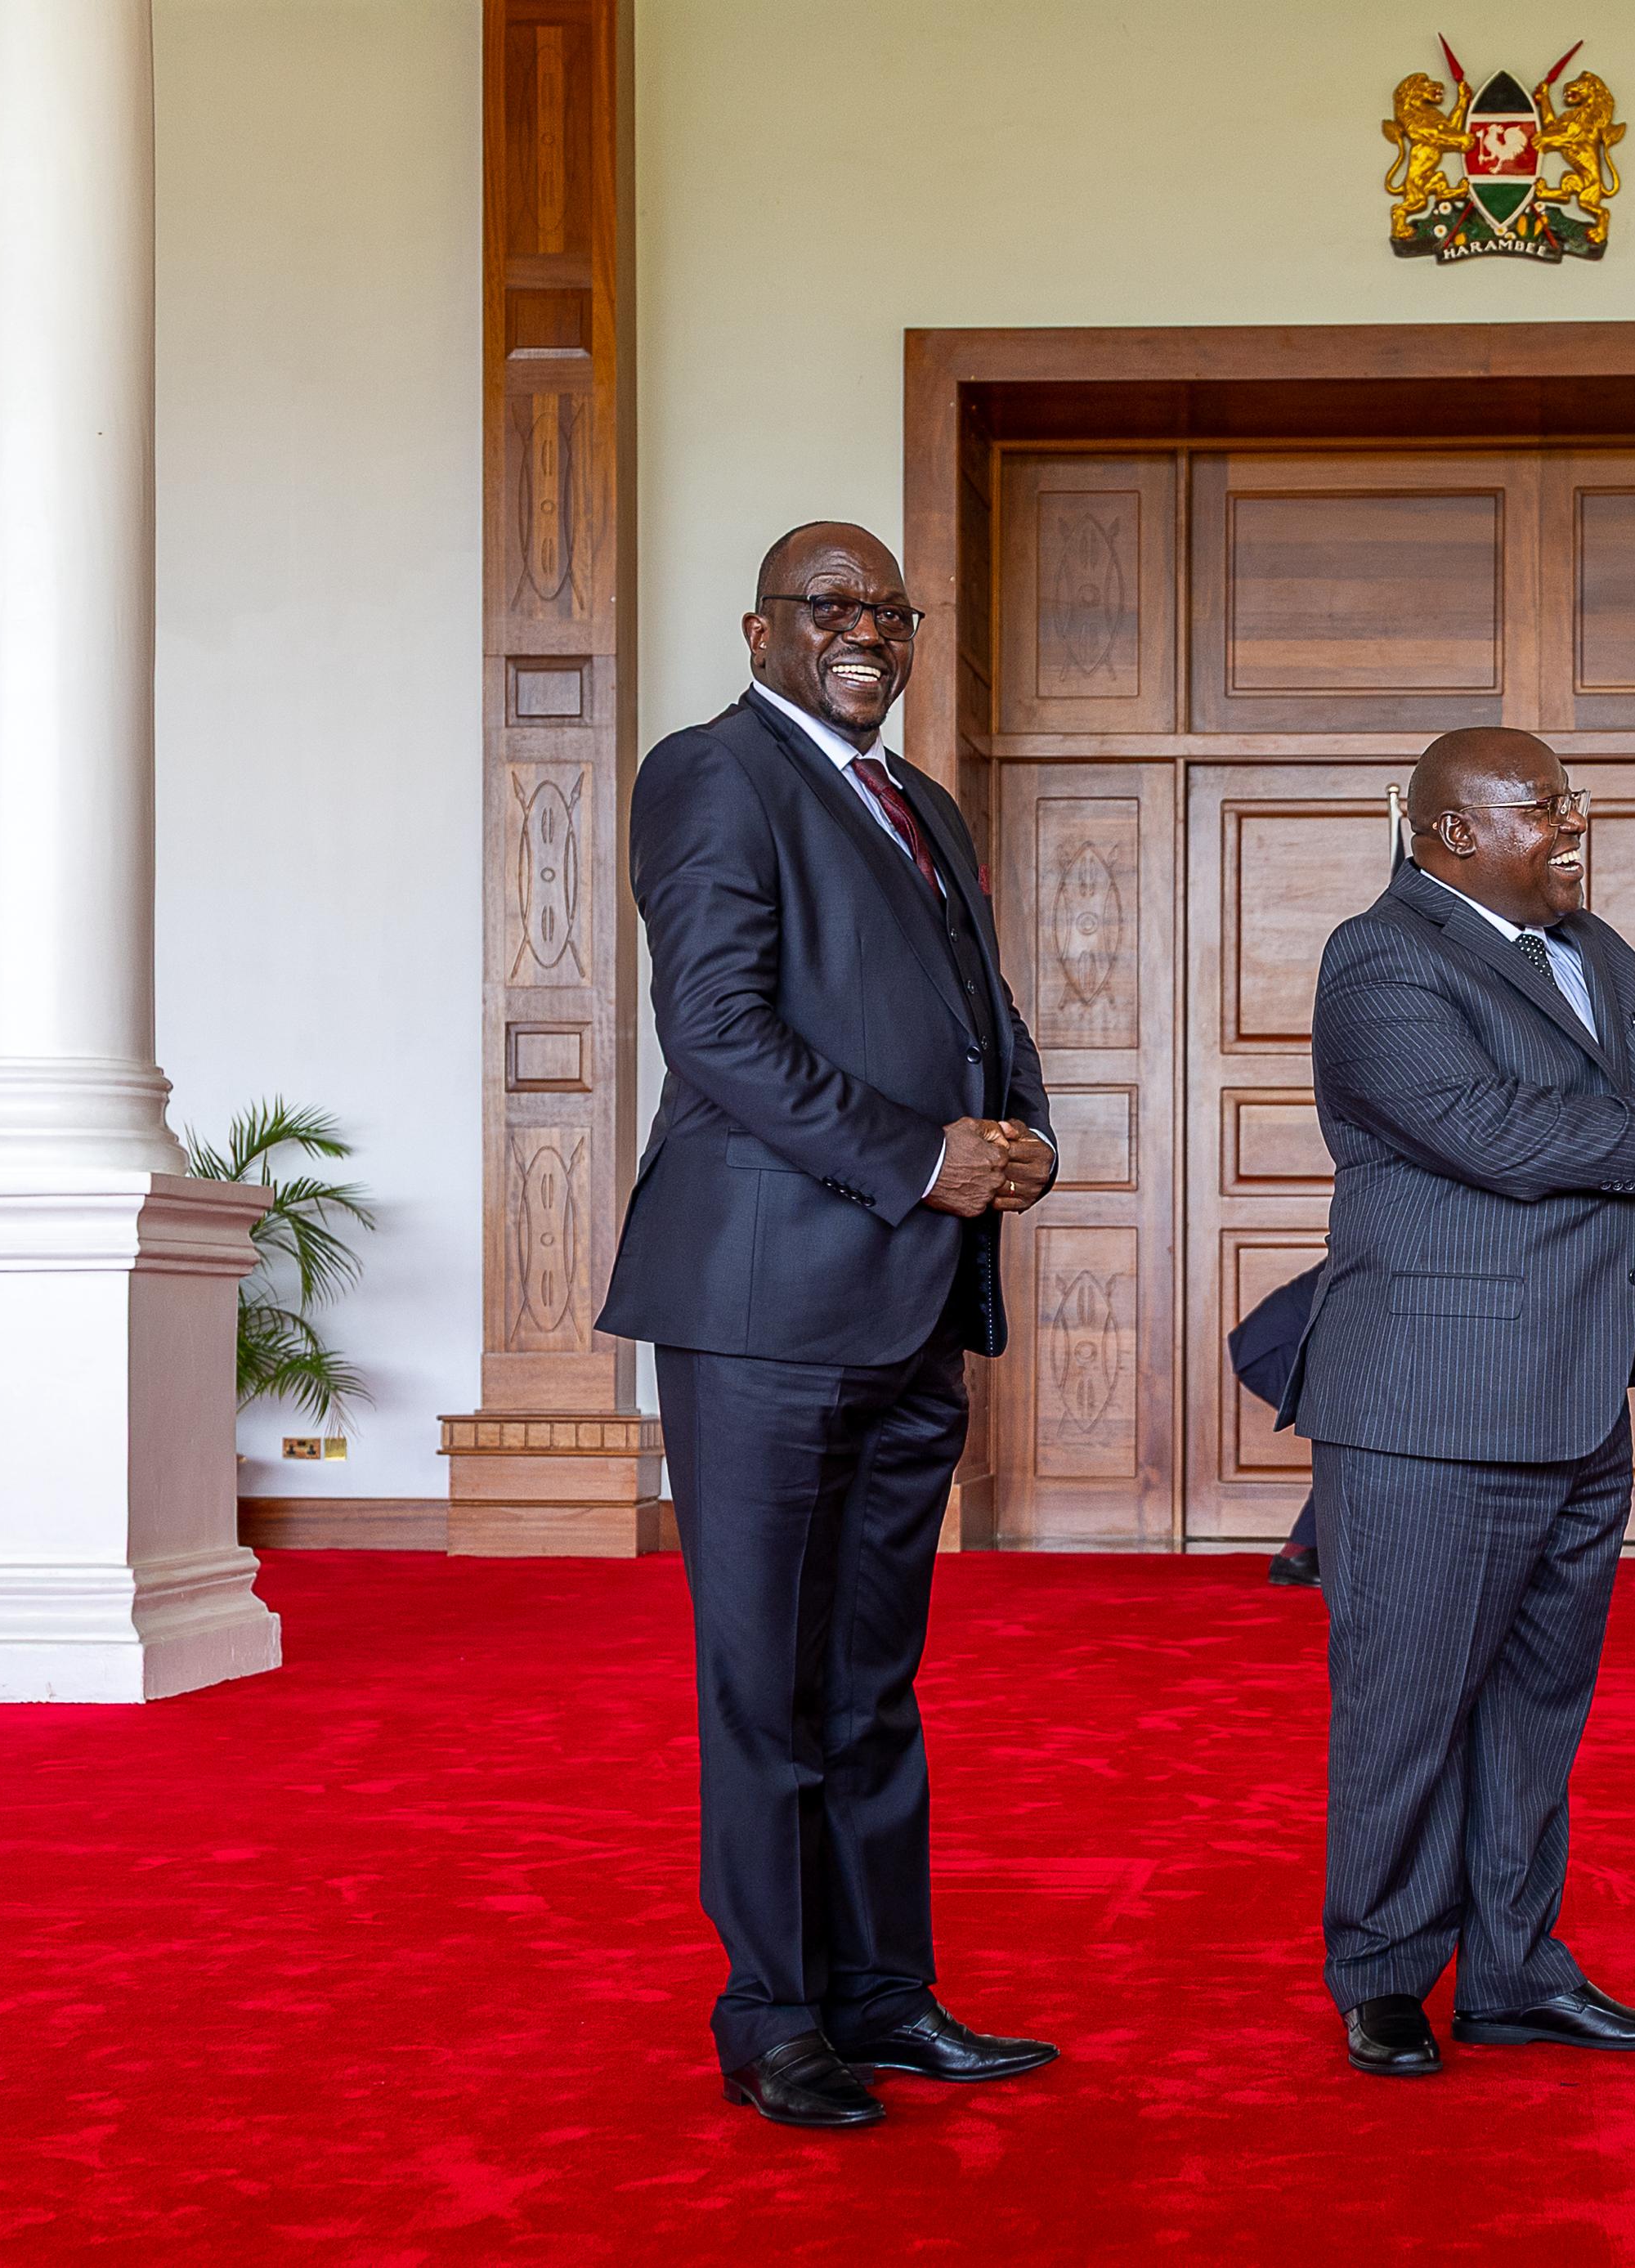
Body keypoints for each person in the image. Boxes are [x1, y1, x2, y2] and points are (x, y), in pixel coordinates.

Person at [1278, 727, 1635, 2079]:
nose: (1573, 824)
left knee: (1536, 1700)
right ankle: (1387, 1974)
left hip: (1579, 1400)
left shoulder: (1591, 950)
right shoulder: (1381, 956)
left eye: (1572, 800)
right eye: (1542, 809)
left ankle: (1517, 1969)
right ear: (1452, 834)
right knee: (1407, 1703)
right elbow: (1494, 1128)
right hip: (1433, 1405)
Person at [598, 521, 1061, 2131]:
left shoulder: (916, 799)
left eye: (885, 610)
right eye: (827, 607)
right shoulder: (710, 774)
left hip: (909, 1298)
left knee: (872, 1678)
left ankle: (884, 1993)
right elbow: (715, 1030)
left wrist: (1022, 1129)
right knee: (765, 1680)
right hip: (761, 1303)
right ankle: (776, 2013)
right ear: (759, 629)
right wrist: (920, 1155)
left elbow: (975, 1010)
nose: (862, 630)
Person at [1227, 1264, 1325, 1586]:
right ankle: (1299, 1555)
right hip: (1275, 1349)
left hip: (1281, 1346)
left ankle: (1304, 1553)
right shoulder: (1388, 1243)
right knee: (1353, 1437)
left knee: (1356, 1436)